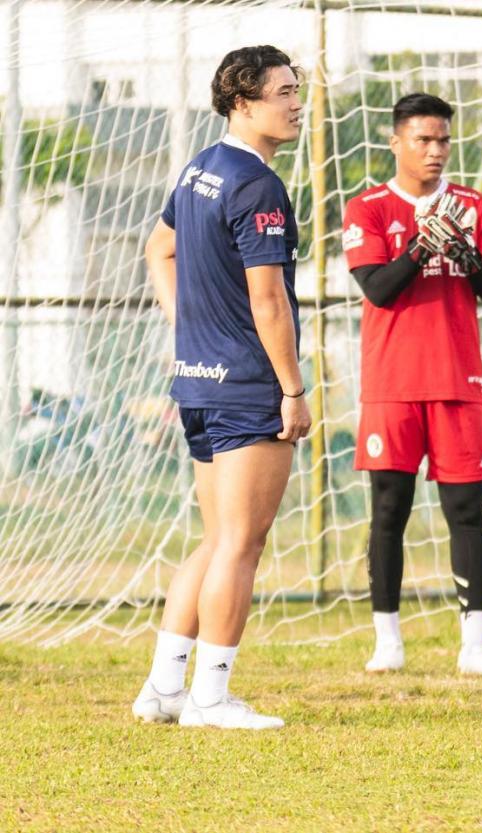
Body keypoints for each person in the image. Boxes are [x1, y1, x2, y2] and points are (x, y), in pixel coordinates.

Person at [131, 45, 309, 730]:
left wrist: (190, 329)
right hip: (244, 384)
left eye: (297, 89)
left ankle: (163, 688)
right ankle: (210, 696)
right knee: (242, 542)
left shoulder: (201, 165)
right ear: (243, 101)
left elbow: (159, 249)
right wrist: (292, 389)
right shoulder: (257, 182)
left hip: (198, 382)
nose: (296, 103)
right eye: (282, 92)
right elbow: (269, 301)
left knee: (216, 538)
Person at [342, 93, 482, 676]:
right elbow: (378, 289)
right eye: (423, 139)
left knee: (466, 509)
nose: (435, 150)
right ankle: (387, 641)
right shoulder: (367, 207)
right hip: (392, 382)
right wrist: (421, 245)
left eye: (443, 139)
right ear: (396, 143)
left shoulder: (471, 205)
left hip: (458, 378)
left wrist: (463, 251)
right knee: (389, 508)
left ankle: (476, 646)